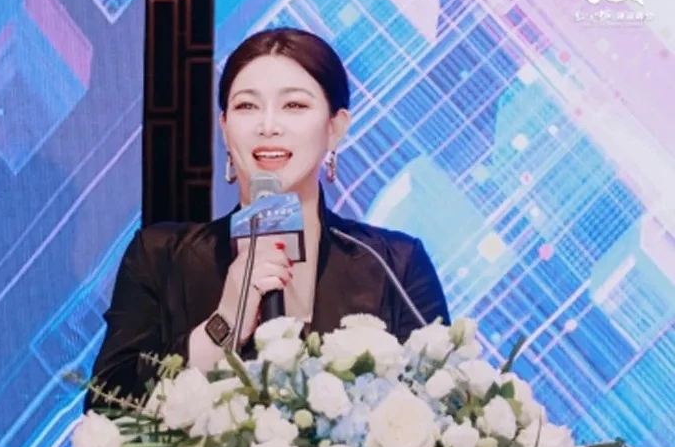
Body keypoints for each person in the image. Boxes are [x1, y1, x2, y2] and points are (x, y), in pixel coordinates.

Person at [85, 27, 449, 410]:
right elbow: (107, 408)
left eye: (294, 105)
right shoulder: (160, 257)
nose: (268, 126)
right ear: (224, 128)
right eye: (247, 106)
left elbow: (444, 409)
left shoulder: (395, 264)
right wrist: (223, 325)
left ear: (335, 127)